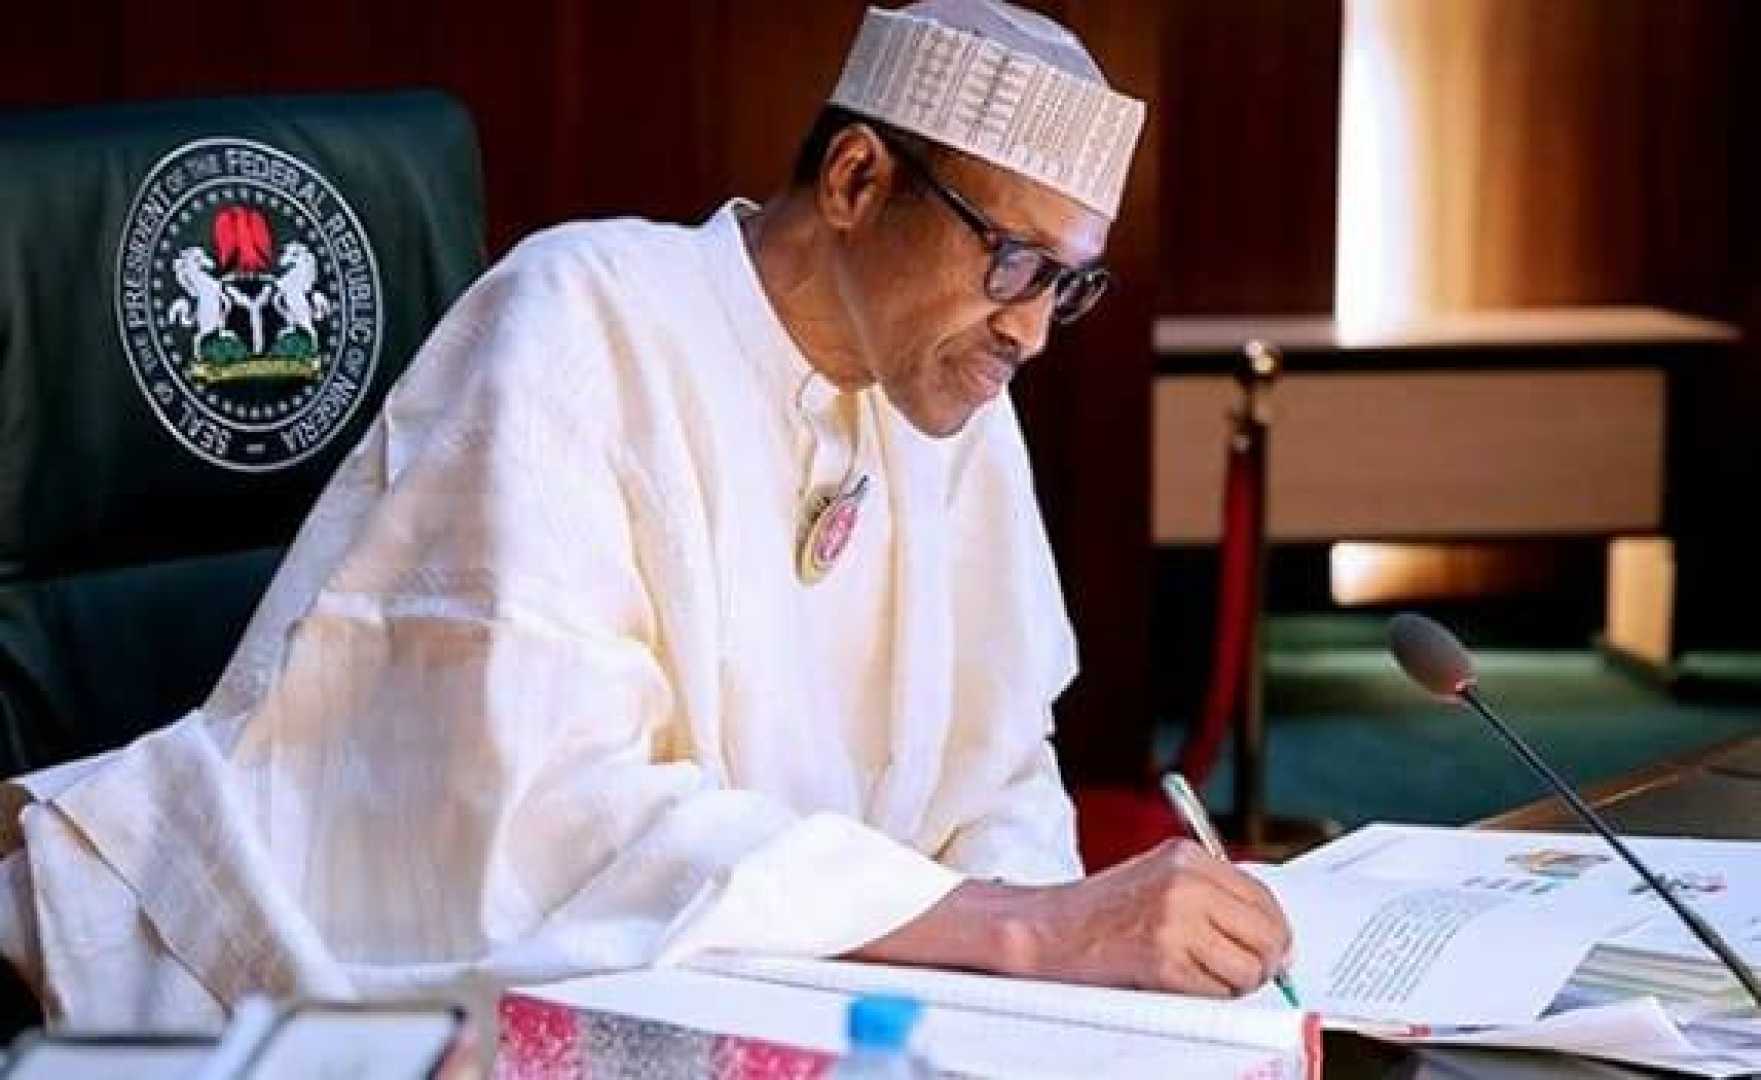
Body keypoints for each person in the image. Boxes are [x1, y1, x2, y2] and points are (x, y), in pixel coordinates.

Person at [0, 0, 1291, 1028]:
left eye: (1068, 285)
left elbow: (997, 771)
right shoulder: (580, 317)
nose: (1031, 329)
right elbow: (553, 815)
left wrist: (1053, 980)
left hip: (778, 975)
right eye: (1012, 262)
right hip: (395, 963)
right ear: (855, 179)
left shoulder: (951, 388)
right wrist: (1009, 929)